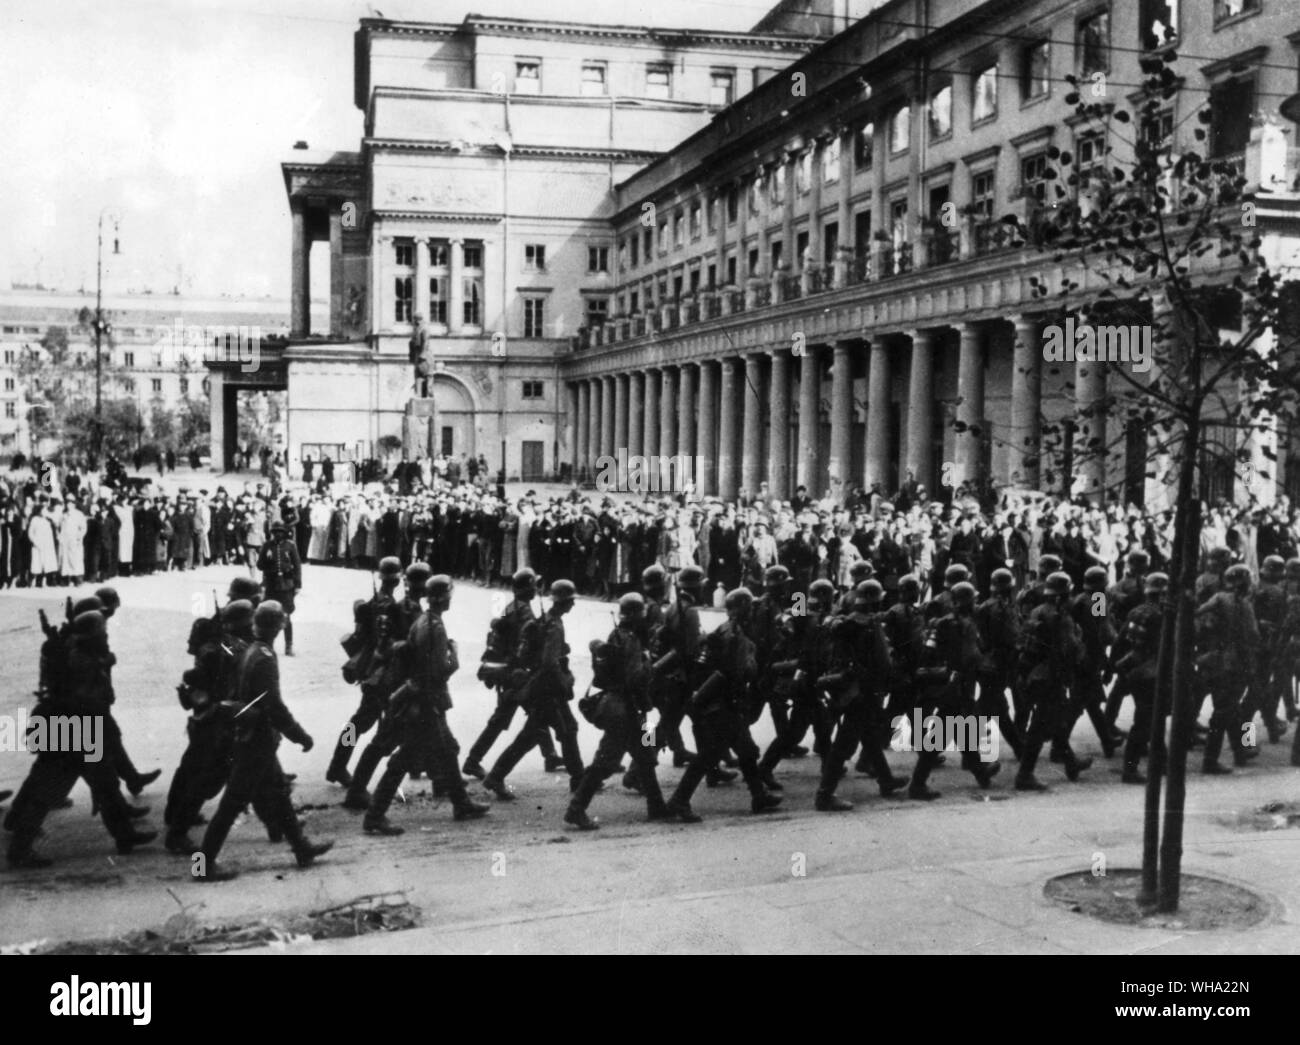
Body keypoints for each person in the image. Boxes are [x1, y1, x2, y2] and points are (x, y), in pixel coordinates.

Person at [193, 601, 331, 881]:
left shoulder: (250, 650)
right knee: (231, 804)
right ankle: (202, 865)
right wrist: (299, 735)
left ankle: (301, 847)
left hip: (254, 736)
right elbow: (273, 705)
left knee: (278, 792)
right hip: (257, 740)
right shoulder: (264, 657)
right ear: (278, 627)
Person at [362, 575, 489, 834]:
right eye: (449, 594)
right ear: (442, 597)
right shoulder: (435, 627)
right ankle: (374, 816)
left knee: (448, 749)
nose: (451, 598)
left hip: (422, 699)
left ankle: (461, 803)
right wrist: (454, 656)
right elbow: (438, 671)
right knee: (405, 759)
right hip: (426, 703)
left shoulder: (423, 621)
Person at [480, 580, 586, 798]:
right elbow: (549, 662)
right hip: (548, 689)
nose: (573, 605)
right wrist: (564, 682)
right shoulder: (554, 625)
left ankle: (578, 779)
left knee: (550, 733)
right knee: (556, 732)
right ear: (564, 602)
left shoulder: (544, 619)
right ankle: (579, 782)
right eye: (571, 601)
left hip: (541, 687)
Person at [259, 520, 302, 655]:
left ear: (284, 533)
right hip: (271, 585)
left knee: (286, 616)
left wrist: (298, 584)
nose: (278, 535)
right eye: (275, 532)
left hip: (286, 585)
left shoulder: (290, 546)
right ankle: (268, 645)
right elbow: (260, 565)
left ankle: (288, 646)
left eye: (280, 532)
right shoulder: (267, 546)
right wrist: (267, 559)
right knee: (268, 616)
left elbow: (297, 565)